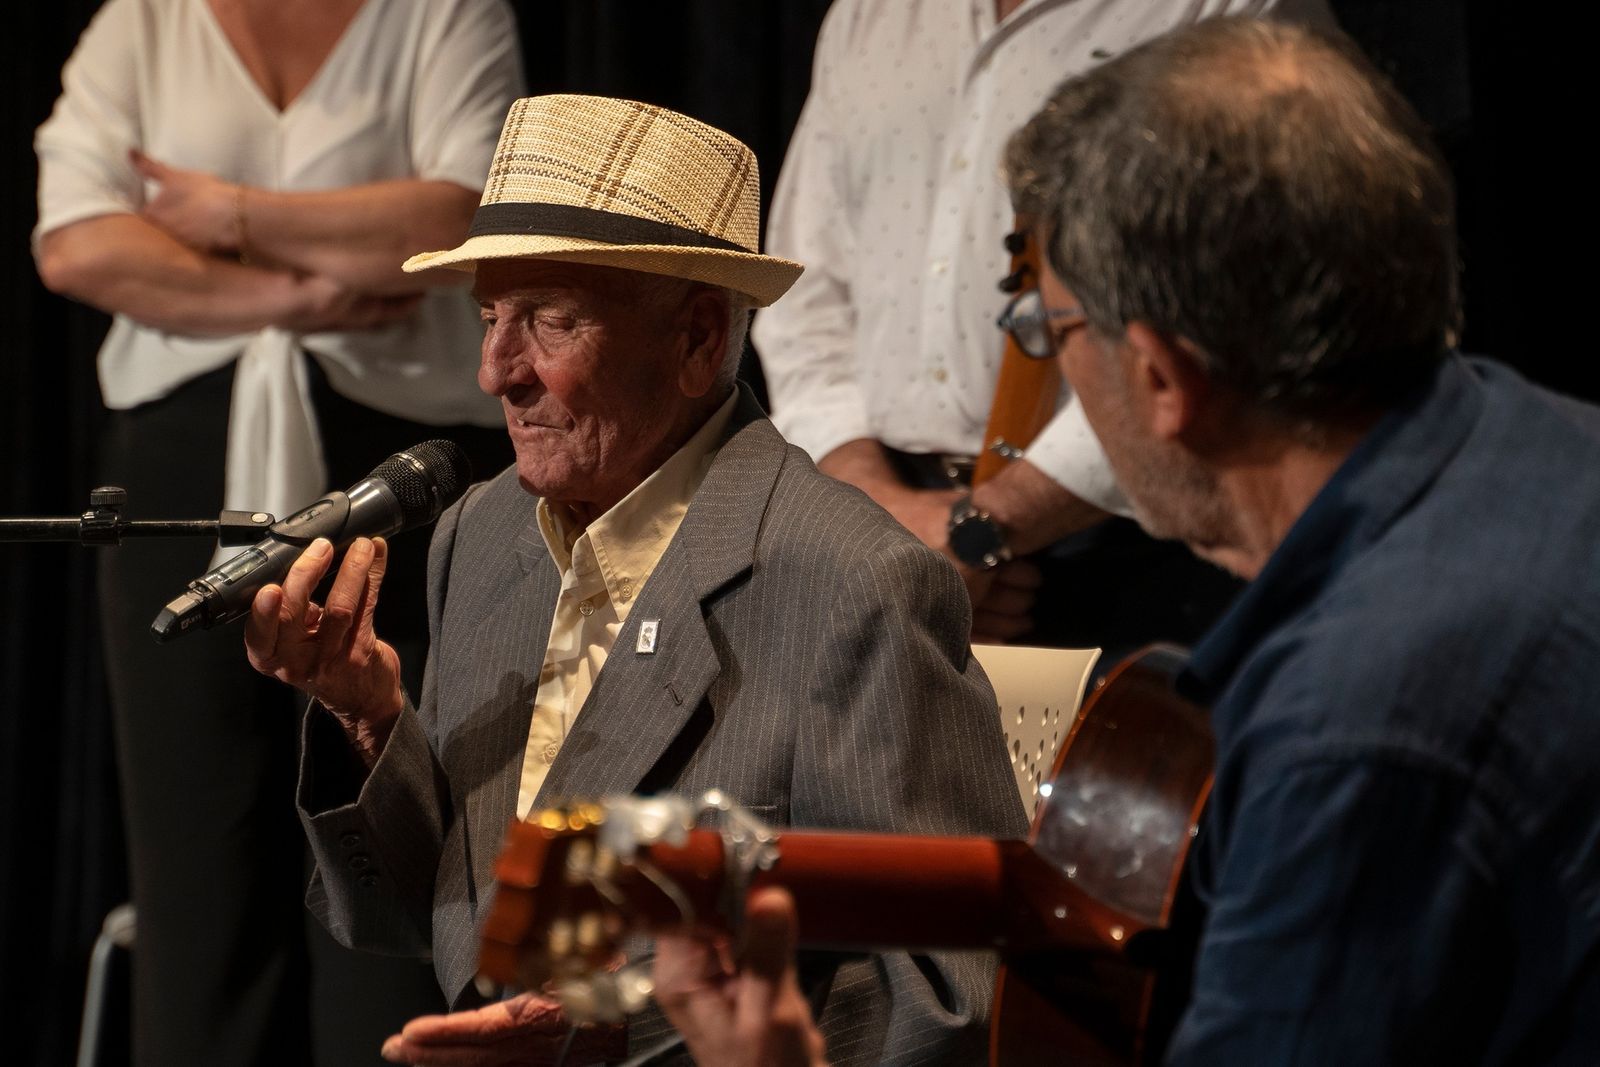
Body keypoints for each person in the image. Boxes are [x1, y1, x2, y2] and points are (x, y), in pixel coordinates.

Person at [654, 16, 1600, 1064]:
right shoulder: (1553, 443)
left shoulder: (1352, 732)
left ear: (1156, 379)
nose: (1041, 349)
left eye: (1046, 331)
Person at [242, 94, 1027, 1066]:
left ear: (698, 338)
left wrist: (617, 1033)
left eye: (549, 322)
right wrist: (370, 723)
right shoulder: (482, 535)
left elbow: (954, 988)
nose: (496, 371)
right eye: (490, 316)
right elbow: (427, 918)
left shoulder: (854, 583)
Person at [32, 1, 524, 1062]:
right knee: (195, 862)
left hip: (401, 471)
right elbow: (75, 242)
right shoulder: (144, 21)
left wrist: (226, 211)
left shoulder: (441, 12)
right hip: (182, 471)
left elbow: (460, 214)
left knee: (387, 826)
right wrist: (307, 285)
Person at [753, 0, 1332, 651]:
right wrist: (880, 514)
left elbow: (1241, 311)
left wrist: (983, 532)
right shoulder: (867, 16)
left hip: (1143, 552)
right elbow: (802, 293)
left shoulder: (1225, 9)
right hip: (882, 542)